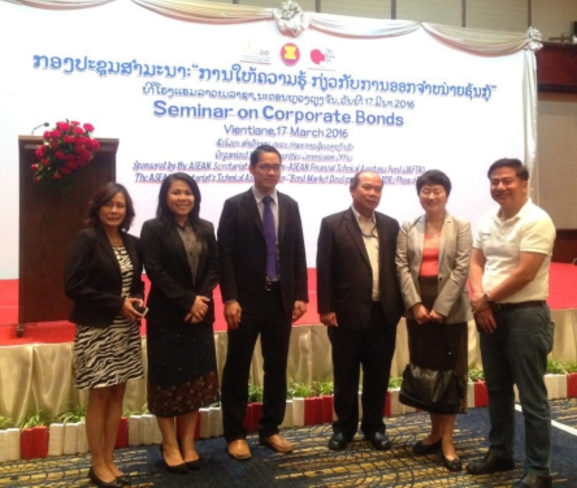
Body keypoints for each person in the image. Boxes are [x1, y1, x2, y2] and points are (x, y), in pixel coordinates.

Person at [466, 158, 556, 488]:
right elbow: (476, 262)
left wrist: (484, 300)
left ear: (524, 183)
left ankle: (539, 470)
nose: (500, 187)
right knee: (497, 390)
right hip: (490, 314)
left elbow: (525, 273)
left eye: (507, 181)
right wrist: (480, 300)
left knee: (532, 397)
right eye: (495, 181)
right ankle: (500, 452)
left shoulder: (537, 220)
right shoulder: (487, 219)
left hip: (525, 317)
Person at [217, 145, 309, 461]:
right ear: (252, 169)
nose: (271, 172)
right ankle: (235, 434)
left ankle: (270, 429)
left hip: (280, 299)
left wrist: (300, 294)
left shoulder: (290, 205)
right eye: (265, 166)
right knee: (237, 367)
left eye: (276, 167)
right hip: (245, 302)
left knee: (276, 367)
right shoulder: (235, 205)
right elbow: (225, 255)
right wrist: (230, 298)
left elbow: (297, 252)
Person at [64, 182, 145, 488]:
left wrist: (137, 300)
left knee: (117, 394)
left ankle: (110, 459)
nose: (114, 210)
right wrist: (117, 303)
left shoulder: (132, 242)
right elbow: (73, 286)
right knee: (99, 396)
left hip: (125, 329)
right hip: (97, 329)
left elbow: (136, 282)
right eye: (109, 204)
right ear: (97, 208)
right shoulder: (85, 240)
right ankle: (97, 464)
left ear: (127, 211)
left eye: (120, 205)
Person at [316, 171, 403, 452]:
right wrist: (326, 308)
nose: (373, 193)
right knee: (346, 376)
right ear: (352, 189)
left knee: (378, 375)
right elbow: (324, 269)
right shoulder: (332, 224)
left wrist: (399, 306)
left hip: (383, 314)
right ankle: (344, 428)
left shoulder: (390, 225)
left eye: (378, 189)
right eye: (367, 187)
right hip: (345, 314)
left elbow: (399, 268)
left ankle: (374, 427)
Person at [140, 172, 220, 475]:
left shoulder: (206, 228)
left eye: (188, 192)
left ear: (195, 197)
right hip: (167, 317)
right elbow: (155, 270)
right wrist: (188, 301)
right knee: (167, 381)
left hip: (200, 316)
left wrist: (200, 301)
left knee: (194, 381)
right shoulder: (153, 229)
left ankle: (188, 443)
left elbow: (215, 267)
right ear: (165, 196)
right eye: (176, 192)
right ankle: (169, 445)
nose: (183, 198)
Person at [396, 169, 472, 472]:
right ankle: (435, 432)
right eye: (425, 191)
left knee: (449, 374)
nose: (431, 196)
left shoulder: (461, 226)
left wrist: (440, 308)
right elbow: (401, 266)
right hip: (417, 307)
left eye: (437, 190)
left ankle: (448, 442)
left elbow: (462, 267)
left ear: (446, 194)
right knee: (426, 372)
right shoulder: (408, 226)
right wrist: (414, 304)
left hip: (450, 310)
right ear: (419, 195)